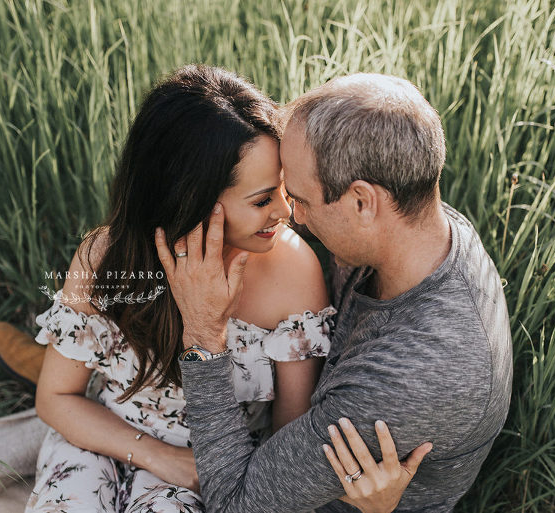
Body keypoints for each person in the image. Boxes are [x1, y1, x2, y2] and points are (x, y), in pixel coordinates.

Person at [23, 65, 423, 513]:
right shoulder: (107, 259)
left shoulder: (292, 272)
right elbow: (56, 398)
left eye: (284, 191)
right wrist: (162, 457)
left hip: (218, 471)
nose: (285, 213)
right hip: (102, 438)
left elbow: (285, 437)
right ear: (191, 200)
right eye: (262, 200)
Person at [156, 73, 513, 512]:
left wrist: (205, 338)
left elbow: (234, 503)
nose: (293, 217)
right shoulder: (423, 227)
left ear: (362, 202)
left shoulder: (404, 378)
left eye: (301, 199)